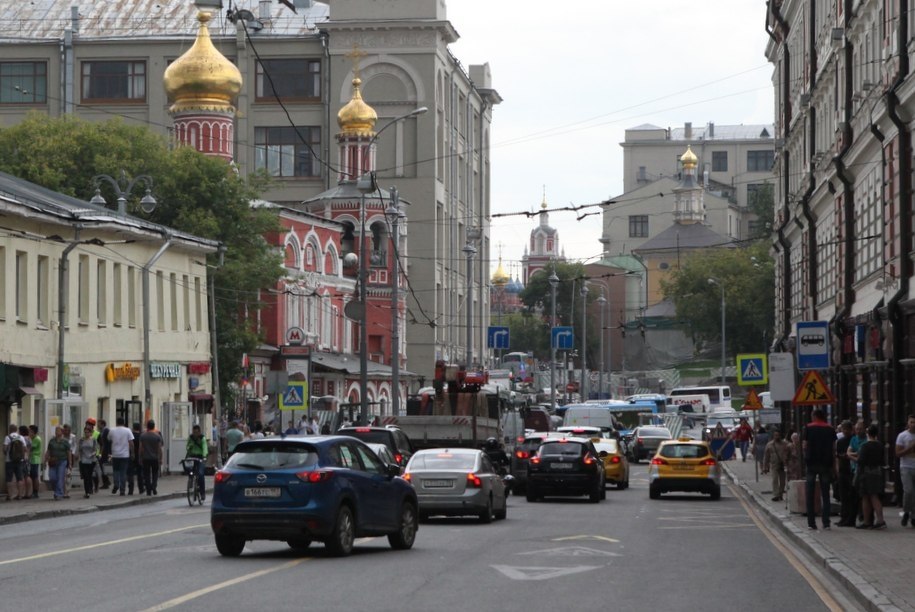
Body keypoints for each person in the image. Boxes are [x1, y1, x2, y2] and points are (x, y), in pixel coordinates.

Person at [803, 408, 837, 530]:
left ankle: (811, 523)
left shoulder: (808, 427)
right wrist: (834, 467)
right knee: (825, 494)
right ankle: (826, 523)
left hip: (811, 464)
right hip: (825, 464)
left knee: (810, 494)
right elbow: (833, 449)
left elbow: (805, 446)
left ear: (815, 416)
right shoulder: (830, 429)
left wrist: (805, 458)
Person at [855, 424, 886, 529]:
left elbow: (860, 461)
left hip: (866, 473)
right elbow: (882, 460)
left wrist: (851, 457)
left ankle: (870, 521)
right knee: (874, 496)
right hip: (877, 472)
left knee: (867, 497)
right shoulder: (880, 445)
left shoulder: (865, 446)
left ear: (868, 433)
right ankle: (878, 519)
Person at [835, 420, 858, 526]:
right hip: (843, 470)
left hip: (852, 471)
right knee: (843, 496)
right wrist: (837, 470)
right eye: (843, 429)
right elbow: (838, 456)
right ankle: (843, 517)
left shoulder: (854, 440)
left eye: (847, 429)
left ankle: (851, 519)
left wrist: (847, 456)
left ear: (851, 429)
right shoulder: (840, 441)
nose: (845, 431)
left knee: (852, 496)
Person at [895, 414, 915, 528]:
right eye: (911, 422)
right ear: (908, 423)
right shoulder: (902, 436)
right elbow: (898, 453)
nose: (913, 425)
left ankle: (913, 517)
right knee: (909, 491)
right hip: (906, 467)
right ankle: (906, 511)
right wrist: (910, 448)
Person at [107, 417, 134, 496]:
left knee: (116, 471)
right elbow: (131, 442)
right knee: (123, 472)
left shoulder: (112, 430)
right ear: (124, 422)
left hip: (115, 454)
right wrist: (132, 453)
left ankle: (116, 484)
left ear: (117, 422)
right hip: (125, 455)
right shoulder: (127, 430)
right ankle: (122, 490)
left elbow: (108, 439)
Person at [44, 426, 71, 501]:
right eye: (56, 430)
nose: (56, 432)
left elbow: (68, 452)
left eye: (58, 430)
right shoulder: (52, 441)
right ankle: (57, 490)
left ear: (62, 432)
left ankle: (59, 493)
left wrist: (70, 463)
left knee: (60, 477)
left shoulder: (65, 441)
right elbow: (48, 451)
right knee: (52, 477)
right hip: (53, 461)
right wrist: (45, 461)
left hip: (62, 461)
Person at [762, 429, 789, 501]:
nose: (777, 436)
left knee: (783, 481)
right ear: (773, 436)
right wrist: (765, 466)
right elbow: (766, 456)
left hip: (783, 464)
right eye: (775, 435)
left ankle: (780, 494)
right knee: (775, 479)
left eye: (778, 435)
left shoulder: (785, 444)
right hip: (774, 465)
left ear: (780, 436)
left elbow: (789, 453)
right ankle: (776, 495)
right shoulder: (769, 445)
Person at [138, 420, 163, 496]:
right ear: (154, 426)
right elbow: (159, 448)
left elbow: (141, 448)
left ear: (147, 426)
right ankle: (154, 486)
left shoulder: (143, 436)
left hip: (146, 458)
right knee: (155, 473)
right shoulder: (157, 436)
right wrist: (160, 458)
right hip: (155, 458)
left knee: (147, 474)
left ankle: (148, 490)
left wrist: (140, 457)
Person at [4, 424, 27, 501]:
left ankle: (10, 496)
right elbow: (25, 449)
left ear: (9, 429)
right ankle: (20, 495)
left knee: (9, 479)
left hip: (9, 460)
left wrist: (6, 453)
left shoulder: (8, 437)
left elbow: (5, 449)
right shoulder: (21, 437)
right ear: (16, 430)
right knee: (20, 478)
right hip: (20, 461)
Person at [185, 424, 208, 502]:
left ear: (199, 432)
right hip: (192, 456)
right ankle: (191, 482)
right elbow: (187, 446)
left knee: (201, 474)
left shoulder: (202, 438)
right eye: (194, 432)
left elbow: (205, 448)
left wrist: (204, 456)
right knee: (189, 470)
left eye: (196, 432)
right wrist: (189, 447)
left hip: (200, 457)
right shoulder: (190, 438)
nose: (195, 434)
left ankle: (202, 493)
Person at [77, 424, 99, 499]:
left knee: (89, 476)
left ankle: (90, 488)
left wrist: (92, 454)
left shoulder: (93, 440)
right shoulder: (81, 440)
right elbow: (80, 449)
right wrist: (79, 458)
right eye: (85, 432)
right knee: (85, 476)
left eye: (87, 432)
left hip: (91, 460)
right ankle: (87, 492)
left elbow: (95, 449)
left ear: (90, 433)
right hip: (83, 460)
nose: (86, 434)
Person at [127, 422, 145, 495]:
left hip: (131, 456)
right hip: (139, 456)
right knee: (140, 473)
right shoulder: (141, 436)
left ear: (133, 428)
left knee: (130, 473)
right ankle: (141, 489)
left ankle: (130, 490)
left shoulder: (131, 435)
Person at [17, 426, 33, 499]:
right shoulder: (29, 439)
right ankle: (29, 493)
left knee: (23, 476)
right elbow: (30, 449)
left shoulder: (22, 438)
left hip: (22, 459)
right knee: (27, 475)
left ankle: (23, 493)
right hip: (28, 458)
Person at [27, 425, 42, 499]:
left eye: (29, 431)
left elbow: (30, 448)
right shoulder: (32, 438)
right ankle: (32, 491)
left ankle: (35, 492)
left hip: (35, 459)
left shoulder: (36, 439)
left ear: (33, 432)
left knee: (34, 476)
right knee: (32, 476)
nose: (28, 432)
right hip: (32, 459)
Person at [97, 419, 112, 489]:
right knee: (101, 466)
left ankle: (106, 482)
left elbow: (109, 442)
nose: (98, 425)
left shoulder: (106, 431)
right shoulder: (101, 431)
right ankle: (106, 481)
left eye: (99, 424)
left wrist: (109, 452)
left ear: (102, 424)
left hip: (105, 452)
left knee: (103, 466)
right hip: (103, 451)